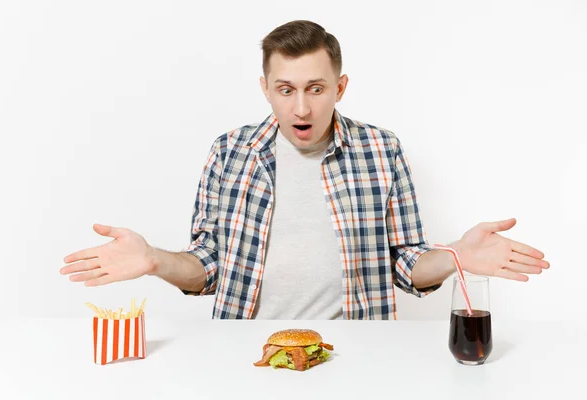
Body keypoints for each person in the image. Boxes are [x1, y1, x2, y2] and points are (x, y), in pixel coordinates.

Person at [60, 20, 549, 320]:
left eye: (316, 88)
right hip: (247, 353)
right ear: (265, 88)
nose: (300, 107)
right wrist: (154, 260)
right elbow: (207, 270)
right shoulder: (229, 152)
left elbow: (406, 264)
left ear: (340, 87)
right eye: (286, 89)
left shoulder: (381, 149)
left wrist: (457, 255)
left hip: (359, 351)